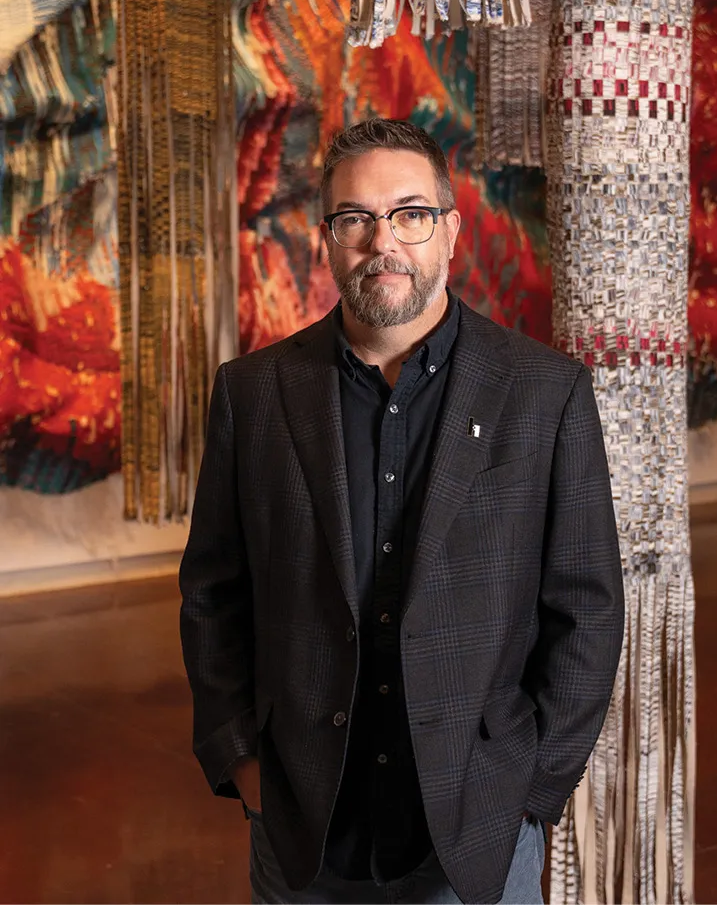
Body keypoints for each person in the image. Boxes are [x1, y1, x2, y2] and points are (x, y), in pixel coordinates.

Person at [179, 118, 625, 905]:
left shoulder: (545, 393)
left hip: (474, 826)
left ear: (450, 230)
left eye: (410, 214)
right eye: (355, 217)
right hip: (302, 824)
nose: (383, 240)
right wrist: (242, 763)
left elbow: (586, 610)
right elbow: (214, 593)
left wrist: (532, 788)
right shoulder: (252, 394)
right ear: (328, 238)